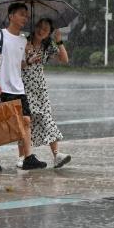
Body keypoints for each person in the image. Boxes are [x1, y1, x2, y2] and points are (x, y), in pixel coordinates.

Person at [0, 3, 47, 171]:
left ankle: (28, 157)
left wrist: (28, 61)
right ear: (11, 16)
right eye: (21, 14)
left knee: (26, 120)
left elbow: (18, 64)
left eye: (26, 16)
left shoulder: (22, 40)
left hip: (18, 88)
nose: (24, 18)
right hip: (0, 87)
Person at [21, 18, 72, 168]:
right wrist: (27, 58)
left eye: (46, 29)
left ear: (49, 33)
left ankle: (56, 155)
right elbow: (14, 64)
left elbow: (64, 59)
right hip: (23, 87)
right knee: (25, 121)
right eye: (39, 26)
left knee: (46, 117)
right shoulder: (23, 42)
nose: (41, 30)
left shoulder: (47, 45)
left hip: (40, 88)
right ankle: (22, 156)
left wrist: (59, 41)